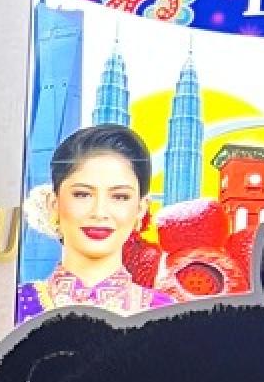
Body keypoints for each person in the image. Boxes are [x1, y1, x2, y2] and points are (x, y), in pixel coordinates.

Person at [18, 123, 174, 321]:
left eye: (120, 197)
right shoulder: (12, 306)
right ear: (54, 204)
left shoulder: (165, 316)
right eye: (82, 194)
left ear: (140, 209)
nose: (100, 213)